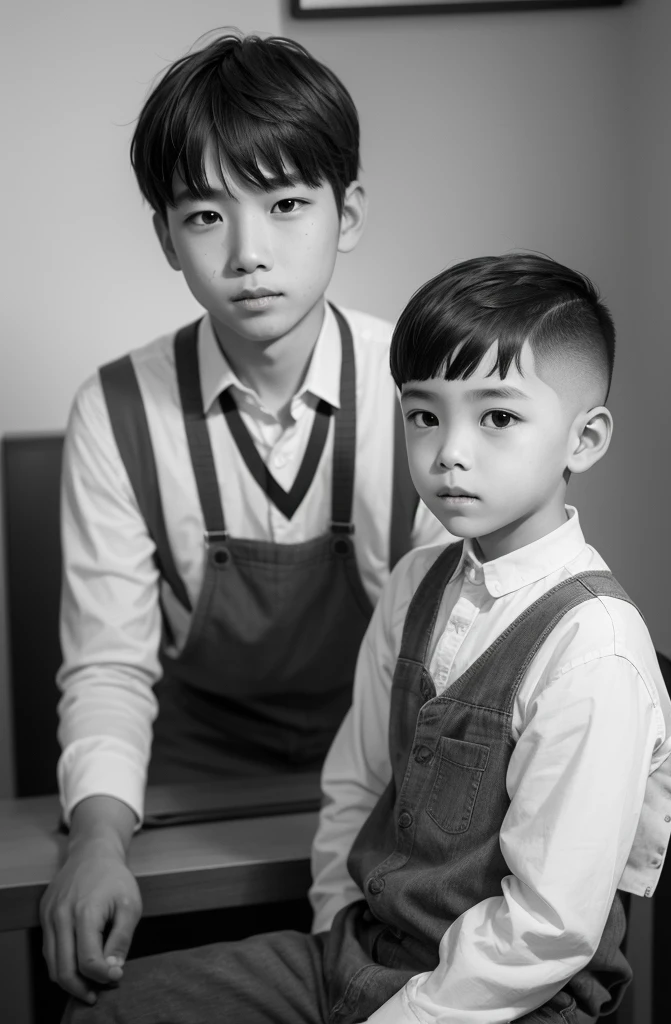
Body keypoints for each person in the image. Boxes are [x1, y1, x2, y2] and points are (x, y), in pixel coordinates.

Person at [63, 253, 671, 1023]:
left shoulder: (596, 650)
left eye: (498, 417)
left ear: (583, 440)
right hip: (364, 953)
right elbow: (354, 785)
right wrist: (332, 930)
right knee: (107, 1011)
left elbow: (547, 932)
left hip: (513, 999)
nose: (449, 451)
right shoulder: (415, 584)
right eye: (425, 415)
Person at [42, 32, 448, 1005]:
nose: (247, 252)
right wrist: (97, 835)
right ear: (164, 237)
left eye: (286, 204)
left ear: (345, 214)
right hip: (185, 779)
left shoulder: (422, 392)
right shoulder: (116, 409)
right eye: (203, 213)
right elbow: (106, 663)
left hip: (389, 768)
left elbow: (457, 658)